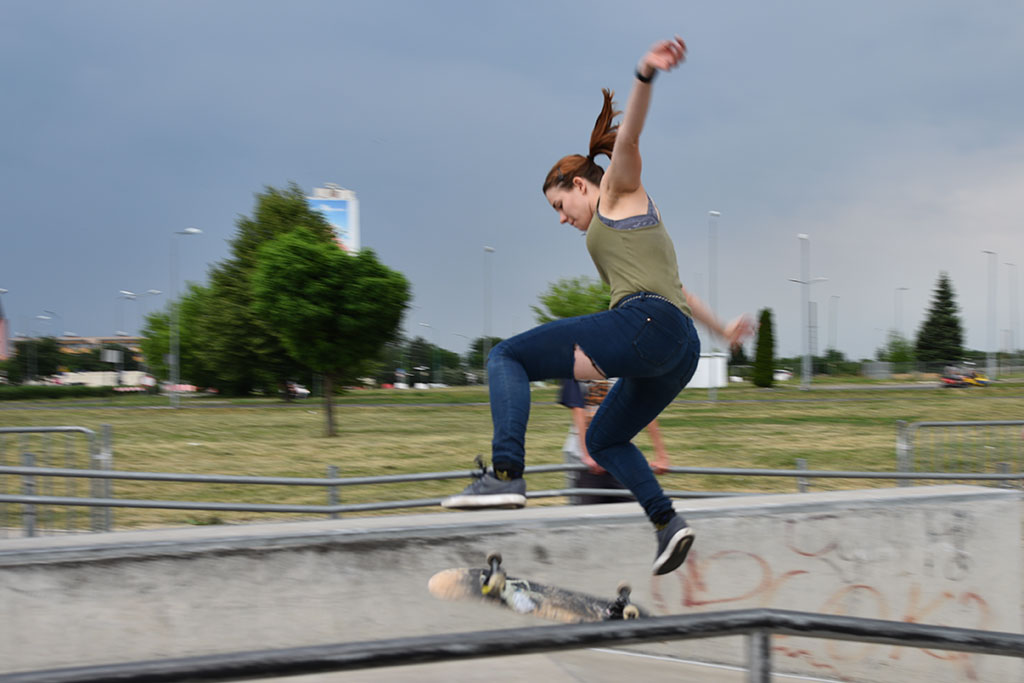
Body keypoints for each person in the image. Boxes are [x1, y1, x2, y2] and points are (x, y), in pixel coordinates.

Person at [442, 36, 752, 576]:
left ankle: (507, 475)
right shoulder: (626, 224)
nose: (563, 219)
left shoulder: (617, 191)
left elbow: (628, 135)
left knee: (505, 359)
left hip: (646, 325)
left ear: (581, 185)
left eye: (562, 206)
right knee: (604, 438)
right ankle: (667, 523)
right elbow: (682, 294)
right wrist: (724, 329)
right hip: (676, 349)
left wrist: (644, 72)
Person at [560, 378, 669, 504]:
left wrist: (661, 456)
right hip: (585, 462)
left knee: (633, 511)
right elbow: (578, 410)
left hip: (620, 458)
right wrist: (588, 455)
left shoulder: (627, 365)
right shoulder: (576, 363)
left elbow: (645, 408)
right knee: (586, 516)